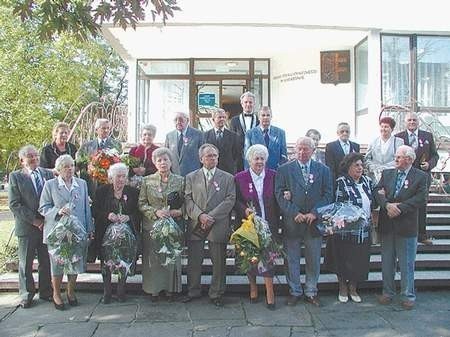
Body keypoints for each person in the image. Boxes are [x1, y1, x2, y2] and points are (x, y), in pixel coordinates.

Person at [275, 137, 333, 307]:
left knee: (313, 259)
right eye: (299, 149)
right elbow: (279, 194)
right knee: (291, 259)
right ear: (294, 150)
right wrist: (294, 212)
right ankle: (294, 291)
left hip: (313, 223)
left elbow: (328, 193)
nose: (301, 152)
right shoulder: (284, 170)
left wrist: (315, 213)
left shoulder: (323, 170)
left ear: (313, 151)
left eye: (306, 149)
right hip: (293, 222)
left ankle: (311, 291)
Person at [375, 145, 427, 310]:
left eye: (399, 157)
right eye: (395, 156)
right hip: (387, 224)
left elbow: (421, 198)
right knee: (387, 262)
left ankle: (408, 295)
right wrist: (387, 205)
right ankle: (388, 292)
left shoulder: (420, 176)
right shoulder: (387, 173)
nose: (395, 159)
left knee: (406, 264)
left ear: (409, 159)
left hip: (406, 226)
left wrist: (400, 208)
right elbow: (377, 191)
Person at [182, 144, 236, 307]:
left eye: (214, 155)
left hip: (217, 223)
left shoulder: (227, 178)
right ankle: (193, 290)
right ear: (201, 159)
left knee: (219, 261)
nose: (212, 158)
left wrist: (210, 216)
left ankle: (216, 292)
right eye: (208, 156)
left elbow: (230, 199)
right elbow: (187, 199)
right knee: (194, 259)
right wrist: (200, 216)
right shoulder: (191, 177)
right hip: (197, 223)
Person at [39, 155, 93, 310]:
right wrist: (58, 211)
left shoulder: (81, 184)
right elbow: (43, 207)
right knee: (57, 264)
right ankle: (56, 293)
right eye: (66, 166)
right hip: (57, 232)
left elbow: (86, 208)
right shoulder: (50, 185)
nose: (70, 169)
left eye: (72, 166)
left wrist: (89, 229)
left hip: (77, 231)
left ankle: (70, 292)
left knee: (74, 261)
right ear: (59, 169)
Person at [324, 153, 375, 303]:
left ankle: (353, 288)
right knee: (343, 259)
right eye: (356, 165)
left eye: (361, 165)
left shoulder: (367, 181)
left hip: (363, 230)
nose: (360, 168)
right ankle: (343, 287)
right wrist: (351, 217)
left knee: (359, 260)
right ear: (348, 167)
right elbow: (338, 205)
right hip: (345, 230)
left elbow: (374, 201)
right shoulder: (341, 182)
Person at [234, 144, 280, 310]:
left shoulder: (274, 175)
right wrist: (244, 209)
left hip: (269, 224)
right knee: (250, 257)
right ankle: (253, 287)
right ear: (249, 160)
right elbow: (235, 200)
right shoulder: (240, 177)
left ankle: (270, 292)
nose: (259, 161)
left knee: (268, 258)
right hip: (249, 225)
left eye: (262, 158)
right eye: (256, 158)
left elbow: (279, 195)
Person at [8, 145, 53, 308]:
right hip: (27, 227)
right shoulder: (16, 177)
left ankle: (46, 291)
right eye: (29, 156)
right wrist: (34, 220)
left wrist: (47, 218)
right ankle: (26, 294)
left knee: (45, 261)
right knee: (25, 263)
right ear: (22, 160)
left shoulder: (47, 174)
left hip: (47, 225)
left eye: (35, 155)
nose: (34, 158)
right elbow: (14, 204)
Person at [138, 147, 184, 301]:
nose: (163, 163)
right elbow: (142, 204)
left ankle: (171, 290)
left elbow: (186, 204)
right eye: (159, 160)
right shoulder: (147, 180)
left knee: (170, 258)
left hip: (173, 227)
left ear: (171, 162)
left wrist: (177, 212)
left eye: (166, 160)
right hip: (152, 226)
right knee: (154, 260)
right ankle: (154, 290)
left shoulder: (180, 180)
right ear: (155, 163)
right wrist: (156, 212)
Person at [92, 163, 140, 303]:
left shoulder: (133, 192)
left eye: (124, 176)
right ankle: (107, 291)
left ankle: (121, 290)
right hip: (105, 233)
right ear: (110, 177)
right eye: (118, 176)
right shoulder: (101, 191)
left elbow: (139, 213)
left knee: (124, 260)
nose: (121, 179)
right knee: (106, 261)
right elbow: (94, 211)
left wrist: (129, 217)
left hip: (126, 235)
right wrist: (108, 215)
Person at [395, 112, 439, 245]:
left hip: (423, 177)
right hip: (405, 176)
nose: (412, 122)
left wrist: (429, 164)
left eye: (414, 120)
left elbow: (435, 156)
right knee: (404, 204)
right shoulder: (398, 137)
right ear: (405, 122)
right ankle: (403, 234)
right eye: (409, 120)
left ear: (418, 122)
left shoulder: (428, 136)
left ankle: (422, 235)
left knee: (422, 206)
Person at [76, 118, 123, 197]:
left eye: (108, 128)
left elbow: (120, 163)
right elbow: (79, 164)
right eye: (103, 128)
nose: (106, 131)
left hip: (109, 183)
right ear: (96, 130)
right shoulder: (86, 146)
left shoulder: (116, 145)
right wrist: (91, 168)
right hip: (92, 184)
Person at [365, 117, 404, 184]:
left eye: (386, 127)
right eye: (382, 126)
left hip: (392, 175)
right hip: (375, 177)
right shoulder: (373, 142)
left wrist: (385, 168)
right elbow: (367, 159)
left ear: (392, 129)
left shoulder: (398, 142)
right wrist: (374, 168)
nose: (383, 129)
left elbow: (400, 159)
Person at [165, 112, 204, 176]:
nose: (178, 122)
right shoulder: (169, 136)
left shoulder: (198, 134)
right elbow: (167, 155)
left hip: (193, 175)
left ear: (187, 120)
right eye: (175, 120)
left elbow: (203, 155)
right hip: (174, 175)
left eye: (181, 119)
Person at [203, 109, 240, 175]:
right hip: (211, 171)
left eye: (224, 117)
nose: (222, 119)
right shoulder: (205, 135)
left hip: (228, 172)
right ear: (213, 119)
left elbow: (236, 155)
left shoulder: (234, 136)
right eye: (219, 117)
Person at [230, 92, 260, 172]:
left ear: (254, 104)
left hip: (257, 158)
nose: (248, 104)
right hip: (239, 159)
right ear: (242, 104)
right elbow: (232, 140)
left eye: (250, 102)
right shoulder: (234, 120)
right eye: (246, 102)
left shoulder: (259, 120)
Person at [325, 122, 360, 190]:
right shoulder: (331, 146)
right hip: (337, 180)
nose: (345, 133)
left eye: (347, 131)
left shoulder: (356, 146)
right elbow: (330, 167)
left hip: (353, 180)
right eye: (342, 131)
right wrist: (335, 182)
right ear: (337, 133)